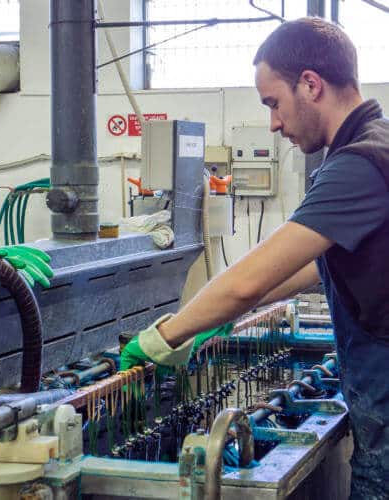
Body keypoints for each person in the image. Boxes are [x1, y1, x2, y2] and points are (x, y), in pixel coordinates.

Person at [121, 17, 389, 499]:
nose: (274, 123)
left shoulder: (361, 164)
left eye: (273, 103)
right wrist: (220, 315)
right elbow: (309, 266)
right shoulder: (370, 146)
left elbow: (248, 280)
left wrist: (164, 338)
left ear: (310, 84)